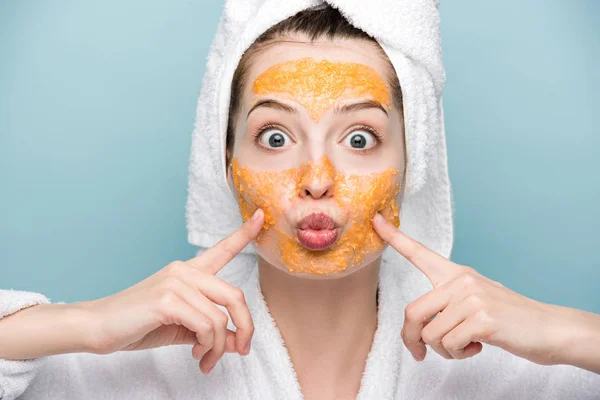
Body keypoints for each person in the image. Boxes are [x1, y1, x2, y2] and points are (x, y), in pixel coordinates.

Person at [1, 2, 599, 399]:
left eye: (360, 138)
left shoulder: (507, 365)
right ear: (227, 165)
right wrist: (84, 323)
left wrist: (573, 334)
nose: (317, 178)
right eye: (276, 137)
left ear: (410, 166)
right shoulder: (122, 363)